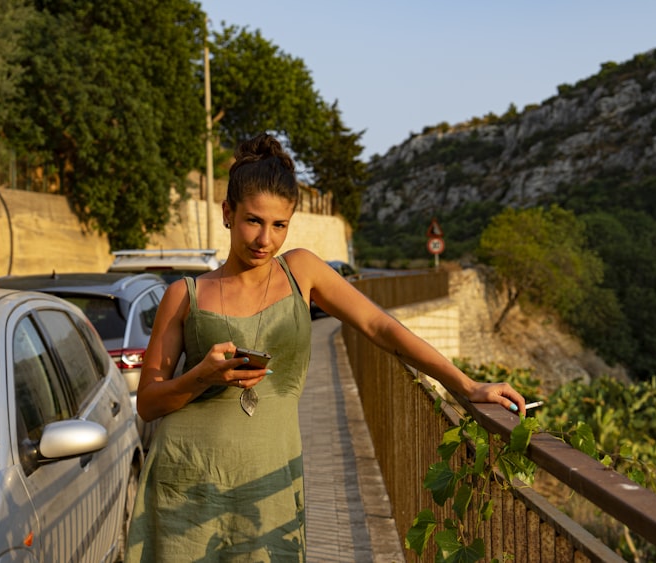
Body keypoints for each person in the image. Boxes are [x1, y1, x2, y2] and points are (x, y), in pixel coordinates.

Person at [124, 132, 527, 561]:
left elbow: (380, 327)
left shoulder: (301, 271)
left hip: (266, 486)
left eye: (279, 225)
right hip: (185, 483)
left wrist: (466, 387)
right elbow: (147, 403)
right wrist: (201, 376)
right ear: (228, 213)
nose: (265, 240)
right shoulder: (183, 295)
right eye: (254, 221)